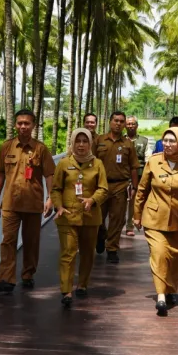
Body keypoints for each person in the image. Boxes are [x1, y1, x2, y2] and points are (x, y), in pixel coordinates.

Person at [133, 127, 178, 316]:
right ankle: (161, 296)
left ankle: (170, 288)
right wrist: (137, 215)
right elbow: (142, 190)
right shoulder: (154, 161)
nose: (167, 144)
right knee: (159, 254)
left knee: (175, 258)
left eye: (172, 141)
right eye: (165, 140)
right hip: (154, 218)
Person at [0, 109, 56, 294]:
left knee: (31, 242)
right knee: (8, 241)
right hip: (10, 203)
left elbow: (49, 175)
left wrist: (50, 198)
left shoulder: (41, 149)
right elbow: (0, 174)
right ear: (15, 125)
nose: (23, 127)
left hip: (33, 204)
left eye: (27, 123)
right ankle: (6, 279)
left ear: (33, 125)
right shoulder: (7, 147)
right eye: (20, 123)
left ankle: (28, 275)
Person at [51, 129, 109, 307]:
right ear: (73, 143)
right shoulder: (63, 163)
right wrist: (58, 206)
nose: (81, 144)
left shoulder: (97, 164)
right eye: (78, 141)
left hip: (90, 217)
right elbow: (55, 188)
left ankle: (82, 284)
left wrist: (93, 200)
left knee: (87, 254)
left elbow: (103, 189)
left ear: (90, 144)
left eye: (85, 141)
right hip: (67, 215)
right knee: (68, 253)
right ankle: (66, 291)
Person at [94, 111, 139, 263]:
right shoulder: (99, 141)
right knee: (98, 217)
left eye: (121, 121)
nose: (118, 123)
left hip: (120, 185)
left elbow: (133, 167)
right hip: (100, 186)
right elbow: (90, 163)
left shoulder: (128, 144)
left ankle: (112, 248)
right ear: (110, 122)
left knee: (117, 219)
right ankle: (101, 234)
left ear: (125, 124)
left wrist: (134, 187)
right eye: (116, 120)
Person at [125, 116, 151, 236]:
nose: (130, 126)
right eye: (128, 124)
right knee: (121, 202)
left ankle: (129, 226)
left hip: (139, 175)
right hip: (123, 174)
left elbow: (148, 159)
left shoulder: (144, 141)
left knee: (133, 201)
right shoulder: (121, 140)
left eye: (133, 124)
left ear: (137, 125)